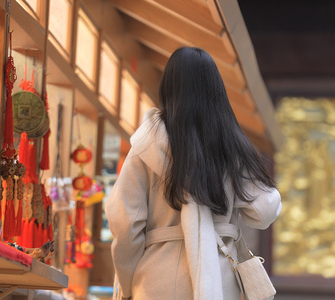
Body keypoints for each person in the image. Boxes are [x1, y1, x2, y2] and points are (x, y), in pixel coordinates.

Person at [104, 47, 282, 300]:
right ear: (216, 89)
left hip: (157, 278)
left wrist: (128, 282)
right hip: (220, 281)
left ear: (168, 87)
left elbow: (125, 222)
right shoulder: (230, 145)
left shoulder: (146, 145)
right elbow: (263, 211)